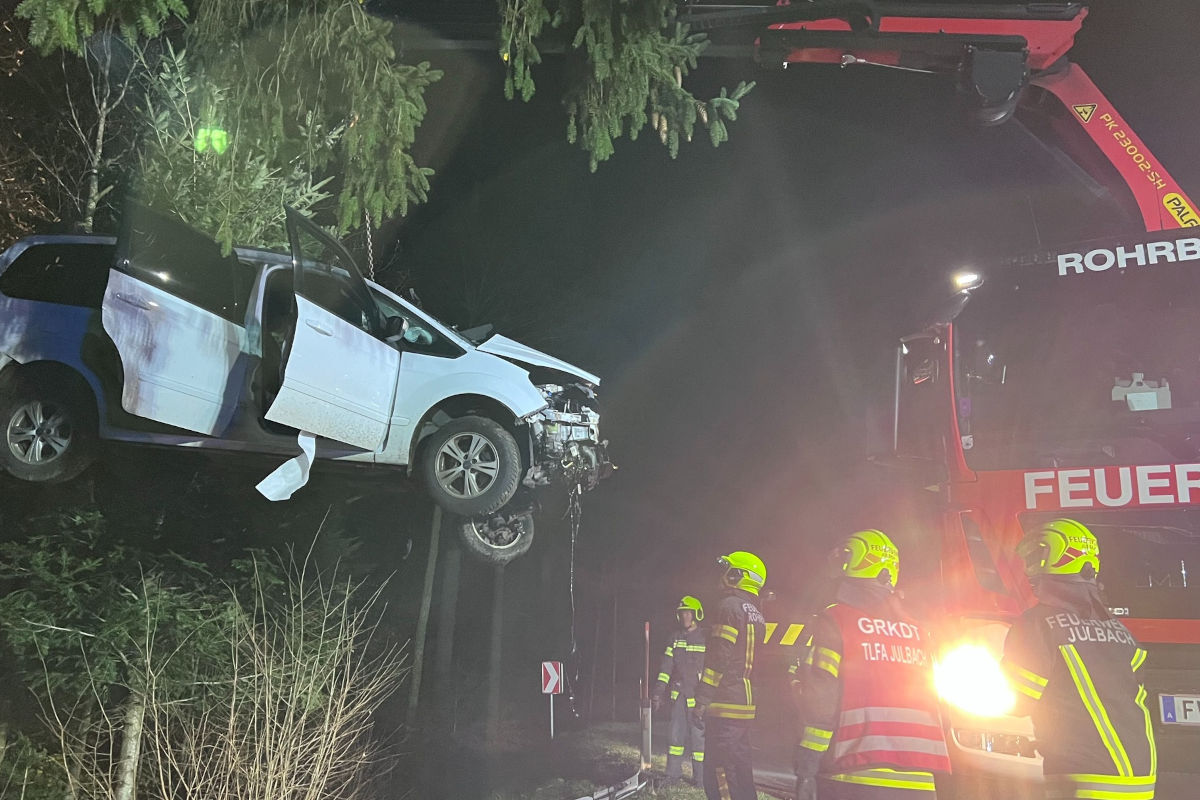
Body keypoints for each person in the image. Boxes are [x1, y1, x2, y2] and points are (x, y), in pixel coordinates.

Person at [1002, 518, 1156, 800]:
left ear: (1058, 558)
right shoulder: (1122, 632)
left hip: (1083, 778)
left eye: (1035, 558)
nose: (1028, 568)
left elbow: (1016, 700)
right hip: (1140, 778)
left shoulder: (1037, 624)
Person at [792, 530, 950, 799]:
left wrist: (807, 767)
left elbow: (821, 704)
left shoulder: (836, 621)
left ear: (859, 562)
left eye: (845, 557)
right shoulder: (920, 632)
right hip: (920, 781)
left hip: (856, 775)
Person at [694, 551, 767, 800]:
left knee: (719, 771)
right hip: (745, 702)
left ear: (738, 575)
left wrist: (702, 698)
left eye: (727, 570)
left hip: (724, 702)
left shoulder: (728, 607)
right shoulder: (756, 612)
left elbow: (719, 658)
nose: (722, 575)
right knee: (741, 768)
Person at [652, 595, 707, 785]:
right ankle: (672, 775)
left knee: (699, 741)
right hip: (679, 698)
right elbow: (665, 668)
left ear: (696, 614)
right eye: (682, 613)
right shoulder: (674, 639)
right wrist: (658, 692)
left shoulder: (705, 638)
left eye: (688, 613)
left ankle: (700, 780)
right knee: (675, 738)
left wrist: (707, 697)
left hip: (699, 699)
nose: (685, 616)